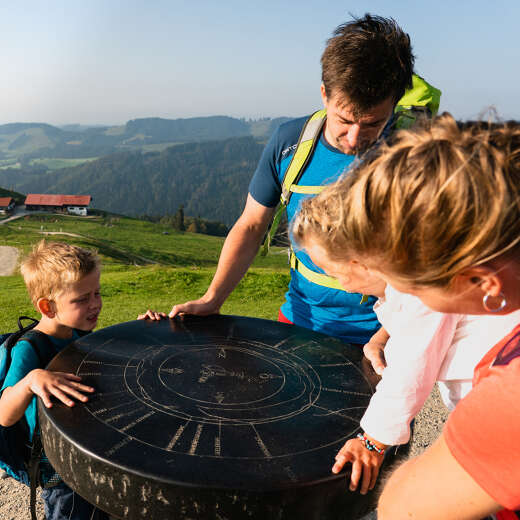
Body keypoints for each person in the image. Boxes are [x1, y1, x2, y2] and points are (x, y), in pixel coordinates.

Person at [292, 114, 520, 519]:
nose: (404, 293)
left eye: (411, 282)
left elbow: (406, 509)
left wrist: (375, 442)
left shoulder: (510, 396)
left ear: (484, 283)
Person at [169, 14, 440, 344]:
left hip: (388, 334)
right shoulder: (290, 144)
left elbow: (434, 266)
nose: (354, 139)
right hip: (299, 320)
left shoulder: (414, 156)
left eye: (371, 124)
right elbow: (252, 225)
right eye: (344, 120)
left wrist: (384, 339)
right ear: (325, 94)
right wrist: (213, 298)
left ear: (394, 104)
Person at [289, 218, 520, 496]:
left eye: (328, 266)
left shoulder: (420, 290)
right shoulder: (414, 277)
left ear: (360, 261)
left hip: (500, 410)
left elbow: (410, 371)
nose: (328, 275)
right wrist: (381, 337)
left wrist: (372, 443)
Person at [0, 241, 108, 520]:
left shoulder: (77, 332)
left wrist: (146, 325)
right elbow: (3, 414)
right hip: (59, 471)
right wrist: (30, 381)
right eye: (82, 299)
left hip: (85, 453)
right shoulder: (30, 348)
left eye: (97, 293)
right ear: (47, 307)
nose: (95, 304)